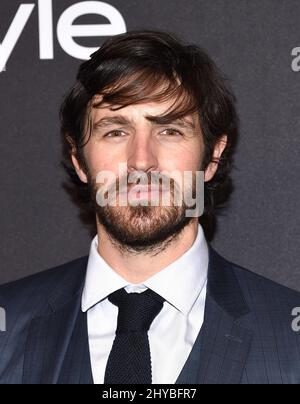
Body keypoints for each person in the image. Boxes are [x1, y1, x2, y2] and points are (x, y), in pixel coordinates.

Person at [0, 30, 299, 385]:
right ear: (79, 160)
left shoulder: (289, 337)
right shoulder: (9, 326)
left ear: (213, 156)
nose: (141, 161)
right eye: (115, 132)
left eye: (170, 131)